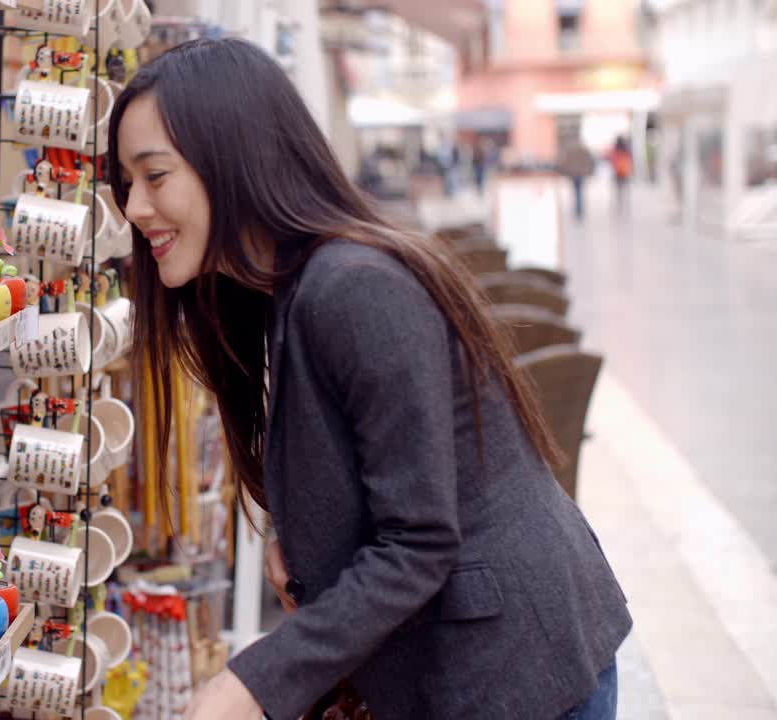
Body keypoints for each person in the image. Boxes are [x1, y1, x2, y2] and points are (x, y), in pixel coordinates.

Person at [107, 38, 630, 720]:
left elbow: (419, 541)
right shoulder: (274, 290)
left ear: (233, 157)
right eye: (126, 183)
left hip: (519, 671)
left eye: (155, 176)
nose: (134, 207)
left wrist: (254, 683)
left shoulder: (354, 287)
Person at [559, 140, 595, 220]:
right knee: (579, 191)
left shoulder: (570, 150)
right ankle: (579, 210)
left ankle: (577, 209)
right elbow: (589, 161)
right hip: (581, 173)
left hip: (573, 173)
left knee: (576, 191)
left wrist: (566, 171)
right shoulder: (584, 150)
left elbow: (565, 162)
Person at [608, 136, 633, 216]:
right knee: (625, 190)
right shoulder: (626, 149)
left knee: (618, 191)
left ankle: (619, 206)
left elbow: (611, 160)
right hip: (625, 173)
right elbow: (629, 160)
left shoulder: (615, 149)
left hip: (617, 173)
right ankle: (626, 206)